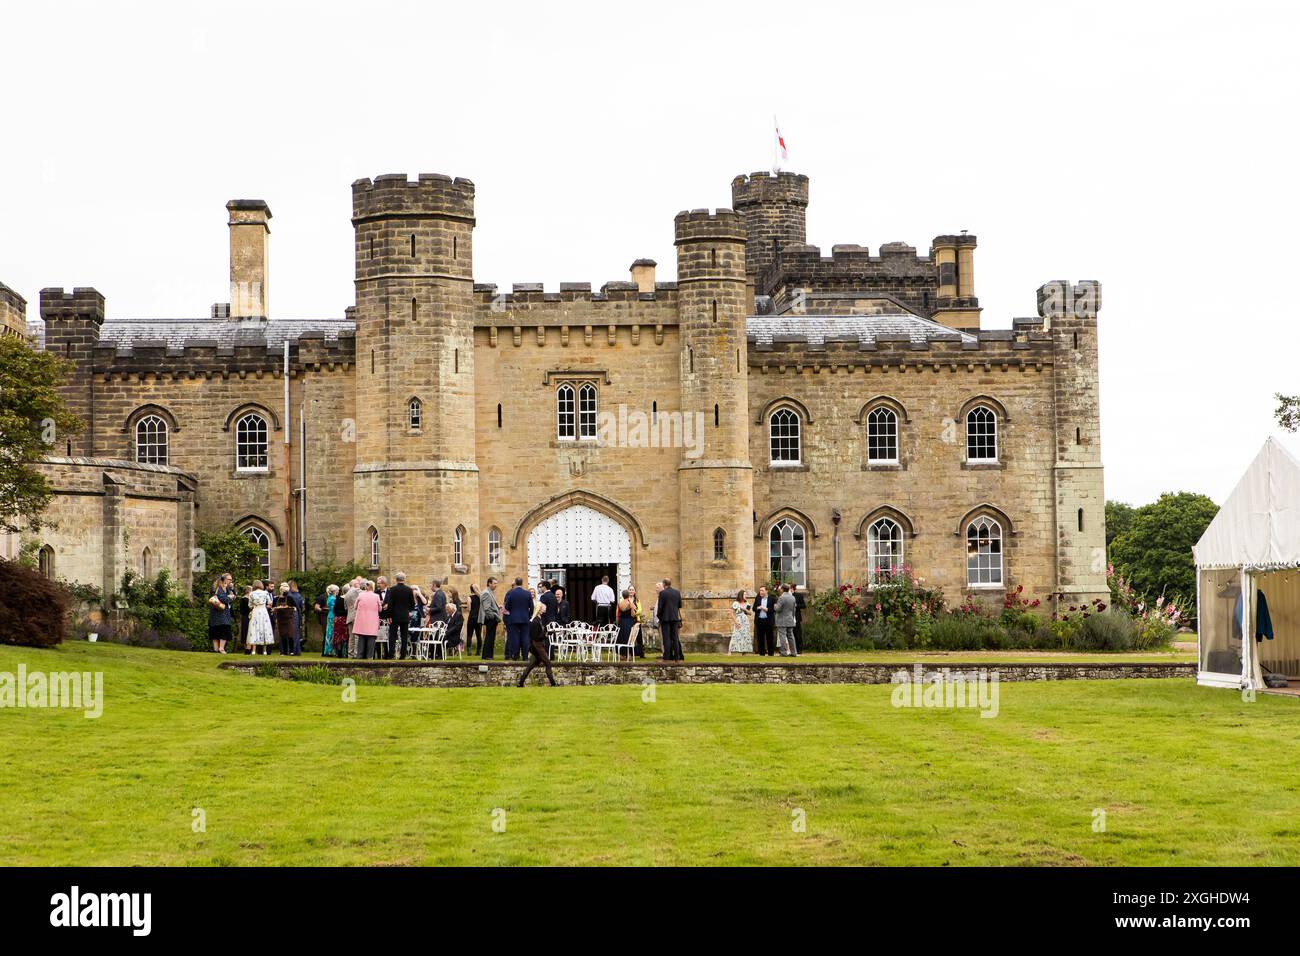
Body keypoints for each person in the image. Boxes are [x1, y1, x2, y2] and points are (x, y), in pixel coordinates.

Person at [517, 599, 557, 687]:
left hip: (537, 645)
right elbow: (535, 637)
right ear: (539, 609)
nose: (545, 609)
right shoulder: (535, 621)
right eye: (543, 608)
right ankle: (553, 684)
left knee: (531, 665)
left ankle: (520, 683)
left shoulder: (539, 620)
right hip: (537, 646)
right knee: (548, 663)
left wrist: (547, 632)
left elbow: (539, 633)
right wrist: (546, 635)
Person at [384, 572, 415, 660]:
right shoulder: (409, 590)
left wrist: (388, 616)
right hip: (405, 615)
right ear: (404, 579)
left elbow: (390, 604)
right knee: (404, 636)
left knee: (392, 636)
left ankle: (391, 654)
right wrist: (408, 610)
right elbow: (412, 604)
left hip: (394, 615)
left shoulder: (392, 589)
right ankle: (403, 655)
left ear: (396, 579)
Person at [503, 576, 533, 661]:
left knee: (515, 638)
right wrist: (528, 616)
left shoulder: (511, 593)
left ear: (515, 583)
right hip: (525, 618)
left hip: (514, 619)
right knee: (525, 638)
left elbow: (507, 606)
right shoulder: (527, 593)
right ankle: (525, 656)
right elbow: (532, 607)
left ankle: (515, 656)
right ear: (522, 583)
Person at [656, 577, 684, 662]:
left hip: (665, 619)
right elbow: (679, 605)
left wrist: (659, 616)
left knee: (666, 638)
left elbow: (660, 607)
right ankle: (677, 657)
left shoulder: (662, 593)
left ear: (664, 584)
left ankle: (667, 657)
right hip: (675, 618)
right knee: (675, 638)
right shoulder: (677, 592)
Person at [353, 580, 382, 660]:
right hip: (372, 620)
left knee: (361, 638)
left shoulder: (360, 595)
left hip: (362, 619)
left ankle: (360, 655)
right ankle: (369, 656)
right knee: (371, 638)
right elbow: (380, 609)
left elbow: (355, 606)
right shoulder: (376, 596)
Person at [207, 574, 234, 654]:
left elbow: (233, 595)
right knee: (223, 631)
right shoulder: (219, 588)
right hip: (220, 614)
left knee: (216, 631)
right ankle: (220, 649)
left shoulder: (227, 589)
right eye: (229, 579)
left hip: (219, 615)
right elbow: (223, 599)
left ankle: (217, 649)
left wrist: (232, 592)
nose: (230, 581)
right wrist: (231, 597)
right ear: (224, 580)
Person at [246, 580, 274, 654]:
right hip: (263, 611)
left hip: (255, 611)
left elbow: (250, 605)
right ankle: (264, 651)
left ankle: (253, 650)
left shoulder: (251, 594)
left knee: (254, 628)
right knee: (264, 628)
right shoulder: (265, 593)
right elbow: (270, 602)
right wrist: (264, 605)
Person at [479, 577, 501, 659]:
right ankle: (487, 656)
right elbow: (487, 608)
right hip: (490, 619)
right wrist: (494, 616)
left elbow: (490, 606)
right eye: (494, 583)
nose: (496, 585)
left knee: (491, 637)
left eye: (496, 583)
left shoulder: (489, 592)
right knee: (489, 637)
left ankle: (489, 655)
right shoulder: (486, 593)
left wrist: (497, 607)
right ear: (489, 583)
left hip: (491, 618)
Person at [774, 583, 797, 656]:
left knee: (782, 636)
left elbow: (778, 609)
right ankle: (794, 652)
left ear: (782, 589)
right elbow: (794, 610)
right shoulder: (792, 597)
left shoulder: (781, 597)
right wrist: (792, 618)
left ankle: (783, 652)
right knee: (791, 636)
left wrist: (775, 606)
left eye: (781, 588)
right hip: (790, 618)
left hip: (782, 620)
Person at [752, 586, 775, 656]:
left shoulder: (772, 599)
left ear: (766, 591)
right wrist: (758, 608)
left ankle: (771, 653)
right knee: (760, 638)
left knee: (770, 638)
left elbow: (774, 609)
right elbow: (754, 608)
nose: (760, 592)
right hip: (759, 621)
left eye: (762, 590)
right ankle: (761, 653)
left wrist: (766, 609)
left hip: (768, 621)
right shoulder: (758, 598)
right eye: (760, 591)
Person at [274, 590, 299, 656]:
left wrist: (288, 607)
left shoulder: (290, 598)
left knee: (290, 634)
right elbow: (273, 607)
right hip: (280, 618)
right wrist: (276, 608)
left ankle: (291, 651)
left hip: (289, 618)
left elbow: (295, 607)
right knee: (283, 635)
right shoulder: (276, 598)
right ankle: (284, 652)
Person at [728, 590, 753, 654]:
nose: (746, 596)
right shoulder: (736, 603)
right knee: (735, 635)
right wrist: (735, 622)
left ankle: (744, 651)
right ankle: (730, 651)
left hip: (745, 621)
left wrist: (744, 609)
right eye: (745, 594)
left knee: (745, 636)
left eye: (746, 595)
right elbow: (732, 613)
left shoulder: (747, 603)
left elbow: (750, 613)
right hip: (738, 620)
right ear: (741, 595)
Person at [343, 577, 362, 659]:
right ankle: (356, 653)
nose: (359, 585)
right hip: (356, 616)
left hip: (349, 616)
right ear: (354, 585)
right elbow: (366, 593)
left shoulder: (346, 594)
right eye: (358, 584)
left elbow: (345, 607)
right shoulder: (356, 590)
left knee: (351, 637)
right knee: (357, 636)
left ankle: (350, 654)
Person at [321, 584, 340, 657]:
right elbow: (334, 608)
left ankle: (328, 650)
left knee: (329, 633)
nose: (338, 592)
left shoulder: (329, 598)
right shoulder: (333, 599)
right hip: (332, 616)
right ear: (335, 591)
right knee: (331, 634)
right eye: (337, 590)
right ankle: (330, 651)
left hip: (330, 615)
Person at [616, 589, 636, 656]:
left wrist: (617, 622)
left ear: (622, 595)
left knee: (621, 637)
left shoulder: (619, 603)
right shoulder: (630, 603)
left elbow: (618, 614)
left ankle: (621, 654)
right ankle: (629, 654)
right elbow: (633, 614)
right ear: (628, 595)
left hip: (621, 622)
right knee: (628, 637)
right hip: (628, 621)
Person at [287, 580, 305, 653]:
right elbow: (302, 606)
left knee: (290, 632)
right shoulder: (299, 595)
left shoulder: (288, 595)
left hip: (290, 613)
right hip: (297, 614)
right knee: (296, 633)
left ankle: (290, 650)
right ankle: (296, 650)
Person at [788, 581, 805, 656]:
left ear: (792, 588)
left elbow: (804, 605)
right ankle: (790, 649)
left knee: (797, 633)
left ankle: (799, 649)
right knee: (789, 634)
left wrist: (796, 605)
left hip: (796, 617)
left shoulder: (798, 595)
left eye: (789, 588)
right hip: (788, 617)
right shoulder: (786, 596)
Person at [467, 584, 482, 655]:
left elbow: (469, 609)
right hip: (479, 617)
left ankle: (469, 651)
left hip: (472, 617)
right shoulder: (480, 597)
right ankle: (479, 651)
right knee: (478, 635)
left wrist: (468, 608)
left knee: (469, 635)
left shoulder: (469, 597)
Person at [238, 585, 252, 653]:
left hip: (245, 616)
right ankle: (248, 648)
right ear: (248, 591)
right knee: (246, 631)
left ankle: (247, 648)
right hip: (247, 617)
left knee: (245, 631)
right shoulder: (246, 599)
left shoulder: (243, 599)